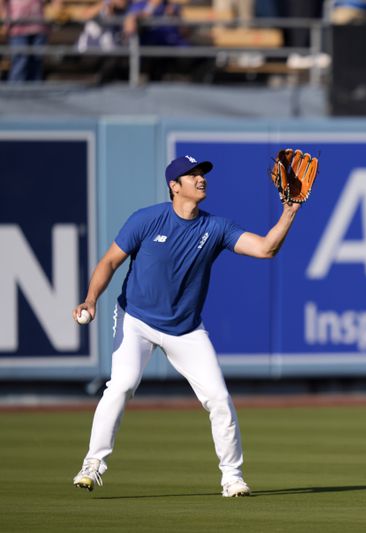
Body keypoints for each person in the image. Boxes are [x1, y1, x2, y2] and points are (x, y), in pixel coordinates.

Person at [72, 155, 303, 497]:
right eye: (191, 175)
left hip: (186, 328)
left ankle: (232, 477)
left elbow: (266, 249)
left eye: (202, 173)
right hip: (137, 319)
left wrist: (290, 211)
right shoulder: (147, 220)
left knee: (219, 399)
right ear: (174, 186)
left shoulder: (216, 228)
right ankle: (92, 464)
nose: (200, 179)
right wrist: (91, 298)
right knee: (121, 385)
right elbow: (109, 261)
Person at [0, 0, 62, 82]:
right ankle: (16, 91)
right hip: (17, 28)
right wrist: (4, 18)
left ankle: (34, 91)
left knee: (36, 61)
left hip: (39, 27)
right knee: (20, 60)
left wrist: (56, 11)